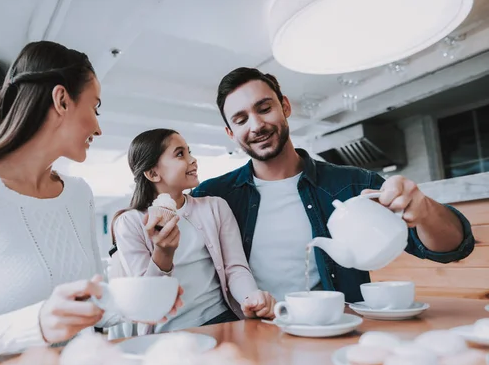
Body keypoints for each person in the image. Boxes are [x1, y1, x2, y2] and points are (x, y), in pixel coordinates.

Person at [0, 41, 181, 365]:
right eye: (95, 107)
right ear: (62, 100)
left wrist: (145, 297)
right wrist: (37, 324)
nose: (99, 127)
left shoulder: (78, 194)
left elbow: (94, 303)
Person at [192, 67, 475, 303]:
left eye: (264, 108)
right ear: (231, 133)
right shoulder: (212, 196)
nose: (256, 126)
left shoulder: (354, 184)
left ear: (285, 106)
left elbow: (452, 248)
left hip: (336, 334)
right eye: (241, 120)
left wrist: (423, 208)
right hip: (250, 343)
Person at [111, 128, 275, 334]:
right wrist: (163, 252)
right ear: (153, 173)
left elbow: (235, 268)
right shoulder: (130, 222)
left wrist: (251, 298)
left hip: (222, 320)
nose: (193, 160)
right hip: (167, 332)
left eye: (189, 152)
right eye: (180, 154)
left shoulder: (215, 207)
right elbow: (147, 298)